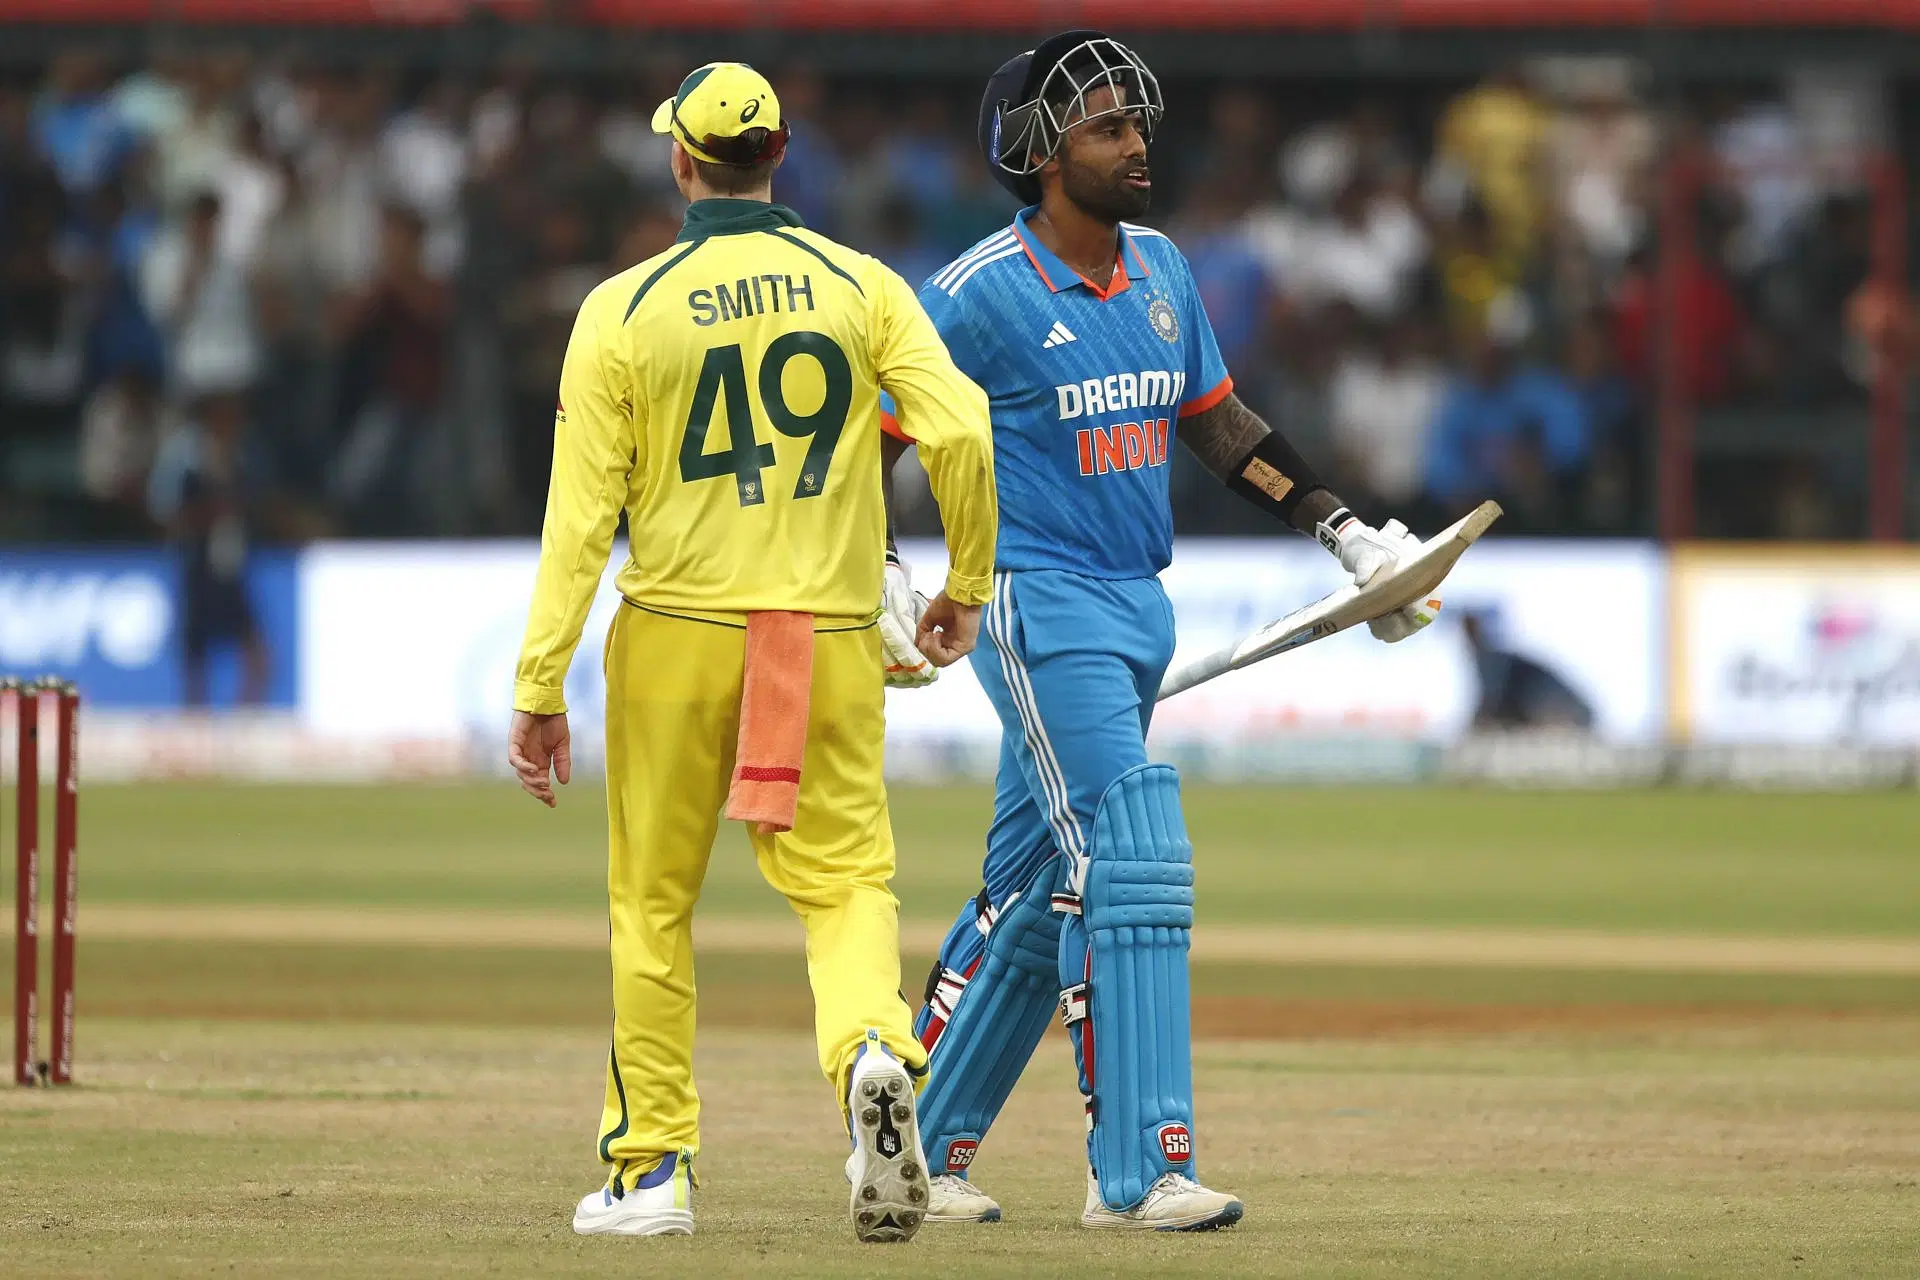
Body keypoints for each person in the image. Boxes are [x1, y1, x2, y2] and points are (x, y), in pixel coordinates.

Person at [884, 31, 1442, 1232]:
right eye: (1104, 126)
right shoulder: (978, 293)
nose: (1137, 144)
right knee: (1130, 851)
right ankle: (1139, 1170)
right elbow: (868, 438)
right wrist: (878, 567)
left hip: (1140, 603)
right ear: (1037, 152)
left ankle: (916, 1155)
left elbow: (1221, 424)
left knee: (1038, 888)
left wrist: (1344, 532)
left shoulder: (1162, 270)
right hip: (1038, 601)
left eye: (1138, 122)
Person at [504, 62, 998, 1244]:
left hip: (677, 631)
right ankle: (875, 1051)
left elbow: (581, 520)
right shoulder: (862, 285)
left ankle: (652, 1172)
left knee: (652, 904)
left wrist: (539, 682)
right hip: (819, 638)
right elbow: (963, 427)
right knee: (844, 884)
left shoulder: (621, 309)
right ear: (781, 158)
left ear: (682, 161)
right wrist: (964, 584)